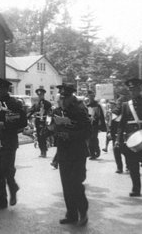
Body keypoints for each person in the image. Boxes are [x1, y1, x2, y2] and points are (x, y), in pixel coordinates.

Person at [48, 83, 90, 226]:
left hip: (77, 152)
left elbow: (87, 131)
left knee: (76, 184)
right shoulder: (58, 110)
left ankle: (83, 213)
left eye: (65, 97)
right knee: (66, 185)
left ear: (72, 97)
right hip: (64, 152)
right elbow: (54, 128)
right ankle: (71, 214)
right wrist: (50, 129)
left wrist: (69, 135)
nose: (62, 100)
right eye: (61, 97)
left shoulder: (80, 110)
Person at [0, 78, 27, 211]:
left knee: (6, 169)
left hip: (9, 141)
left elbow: (23, 122)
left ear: (6, 90)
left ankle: (12, 187)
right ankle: (1, 201)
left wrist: (5, 125)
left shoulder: (14, 103)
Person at [27, 88, 52, 157]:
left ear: (43, 95)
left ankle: (44, 151)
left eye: (41, 95)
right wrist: (27, 116)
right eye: (39, 95)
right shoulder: (36, 104)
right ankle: (42, 151)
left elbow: (50, 113)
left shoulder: (47, 104)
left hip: (44, 121)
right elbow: (31, 111)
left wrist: (48, 121)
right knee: (39, 137)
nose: (40, 96)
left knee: (43, 136)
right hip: (38, 122)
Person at [85, 90, 106, 159]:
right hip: (88, 124)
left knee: (93, 138)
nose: (90, 97)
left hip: (95, 124)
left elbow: (100, 115)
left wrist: (98, 121)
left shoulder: (97, 105)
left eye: (92, 96)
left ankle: (97, 150)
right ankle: (92, 154)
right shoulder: (86, 105)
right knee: (89, 138)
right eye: (89, 96)